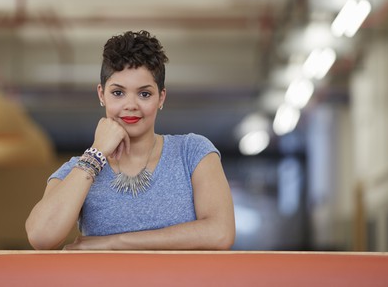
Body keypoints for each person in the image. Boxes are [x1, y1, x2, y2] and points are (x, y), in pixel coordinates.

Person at [25, 30, 235, 250]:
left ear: (161, 97)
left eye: (144, 94)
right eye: (118, 93)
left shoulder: (192, 152)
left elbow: (220, 233)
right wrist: (96, 153)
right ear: (101, 95)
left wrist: (114, 243)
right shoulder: (79, 168)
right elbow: (41, 236)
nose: (131, 105)